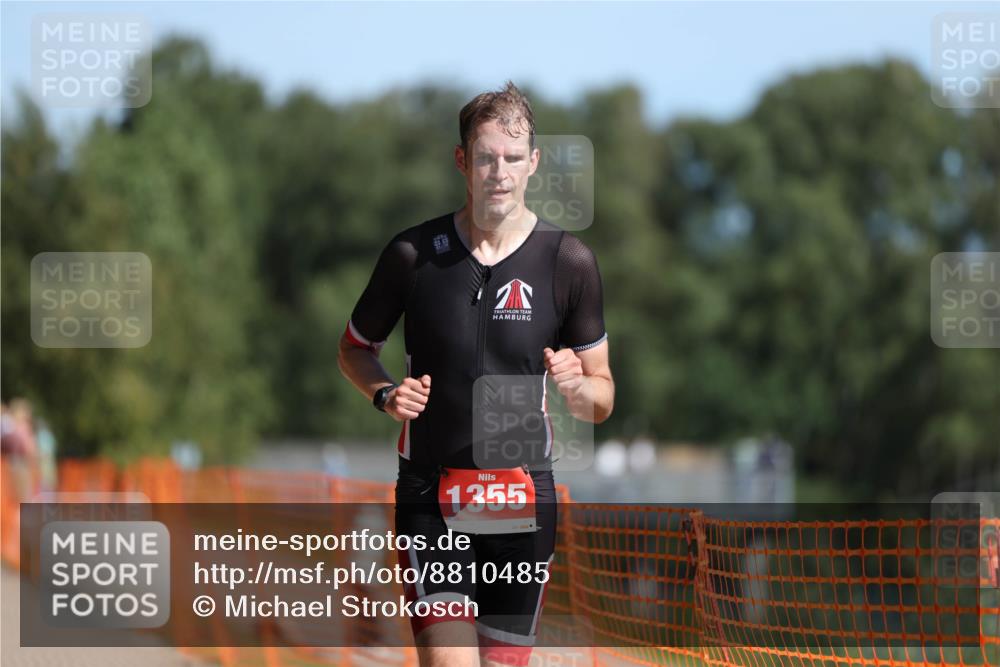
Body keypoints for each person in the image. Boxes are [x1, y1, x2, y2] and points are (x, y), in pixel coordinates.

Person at [338, 81, 614, 667]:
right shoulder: (414, 255)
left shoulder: (568, 263)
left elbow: (602, 399)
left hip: (520, 495)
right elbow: (353, 349)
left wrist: (576, 385)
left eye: (513, 158)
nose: (500, 172)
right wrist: (386, 394)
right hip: (431, 494)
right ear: (462, 161)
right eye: (486, 157)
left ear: (533, 163)